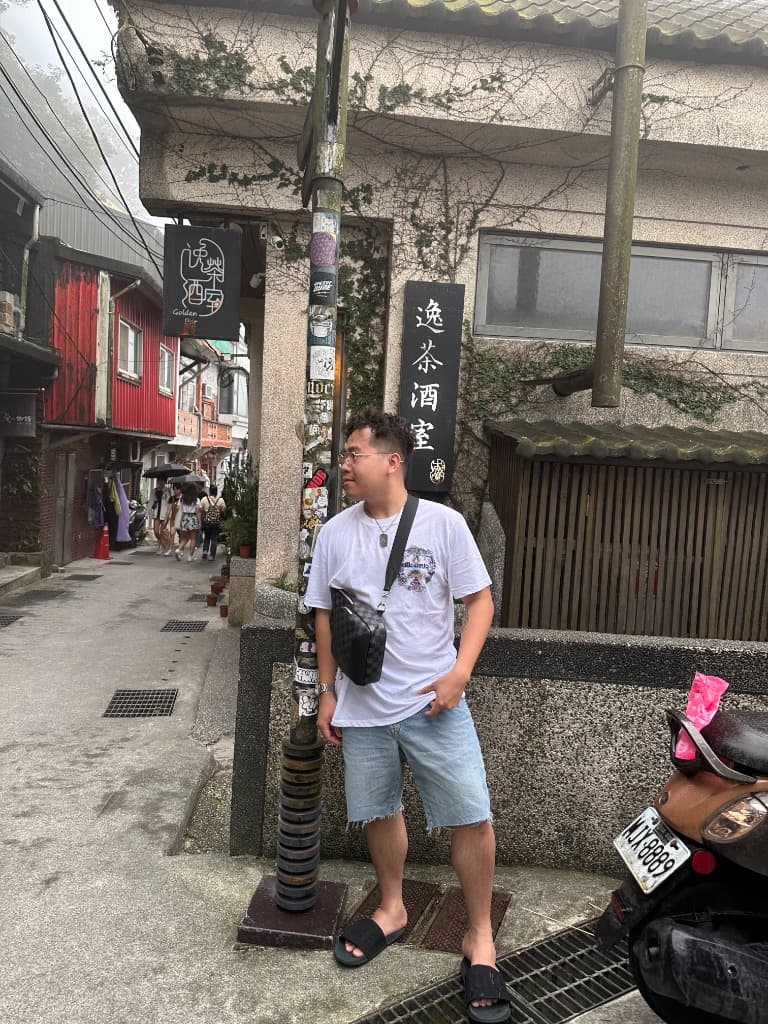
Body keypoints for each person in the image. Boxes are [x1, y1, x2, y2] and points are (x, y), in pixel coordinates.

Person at [305, 407, 510, 1023]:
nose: (344, 464)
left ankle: (479, 936)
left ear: (392, 461)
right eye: (344, 455)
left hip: (434, 703)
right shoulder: (334, 532)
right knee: (378, 810)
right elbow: (322, 614)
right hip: (363, 706)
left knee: (471, 816)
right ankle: (391, 907)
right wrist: (327, 690)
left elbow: (480, 601)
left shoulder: (444, 525)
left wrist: (459, 674)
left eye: (355, 454)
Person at [175, 483, 202, 561]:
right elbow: (198, 512)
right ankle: (190, 557)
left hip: (184, 517)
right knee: (193, 538)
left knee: (184, 538)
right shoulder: (196, 499)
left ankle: (178, 549)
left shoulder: (182, 498)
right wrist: (199, 522)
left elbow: (177, 508)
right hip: (193, 517)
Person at [200, 484, 225, 561]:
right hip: (216, 522)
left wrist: (203, 518)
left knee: (207, 537)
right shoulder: (220, 500)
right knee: (214, 538)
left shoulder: (204, 499)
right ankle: (211, 556)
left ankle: (205, 551)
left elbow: (201, 510)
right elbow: (223, 511)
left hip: (207, 521)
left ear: (209, 491)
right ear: (216, 492)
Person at [151, 482, 170, 554]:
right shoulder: (154, 490)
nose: (160, 482)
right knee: (156, 531)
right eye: (159, 480)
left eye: (162, 480)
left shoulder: (168, 490)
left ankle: (161, 547)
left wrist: (165, 493)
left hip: (164, 513)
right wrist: (147, 512)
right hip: (156, 513)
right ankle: (162, 542)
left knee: (162, 531)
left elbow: (169, 502)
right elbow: (151, 501)